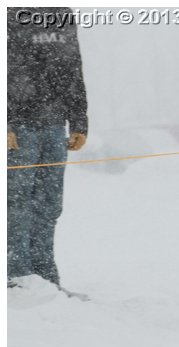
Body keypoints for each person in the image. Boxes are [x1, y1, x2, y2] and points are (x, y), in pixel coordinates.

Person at [7, 7, 88, 288]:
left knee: (49, 205)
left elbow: (73, 68)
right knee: (16, 204)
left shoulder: (61, 14)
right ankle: (15, 277)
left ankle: (45, 281)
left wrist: (79, 121)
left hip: (55, 126)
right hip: (18, 127)